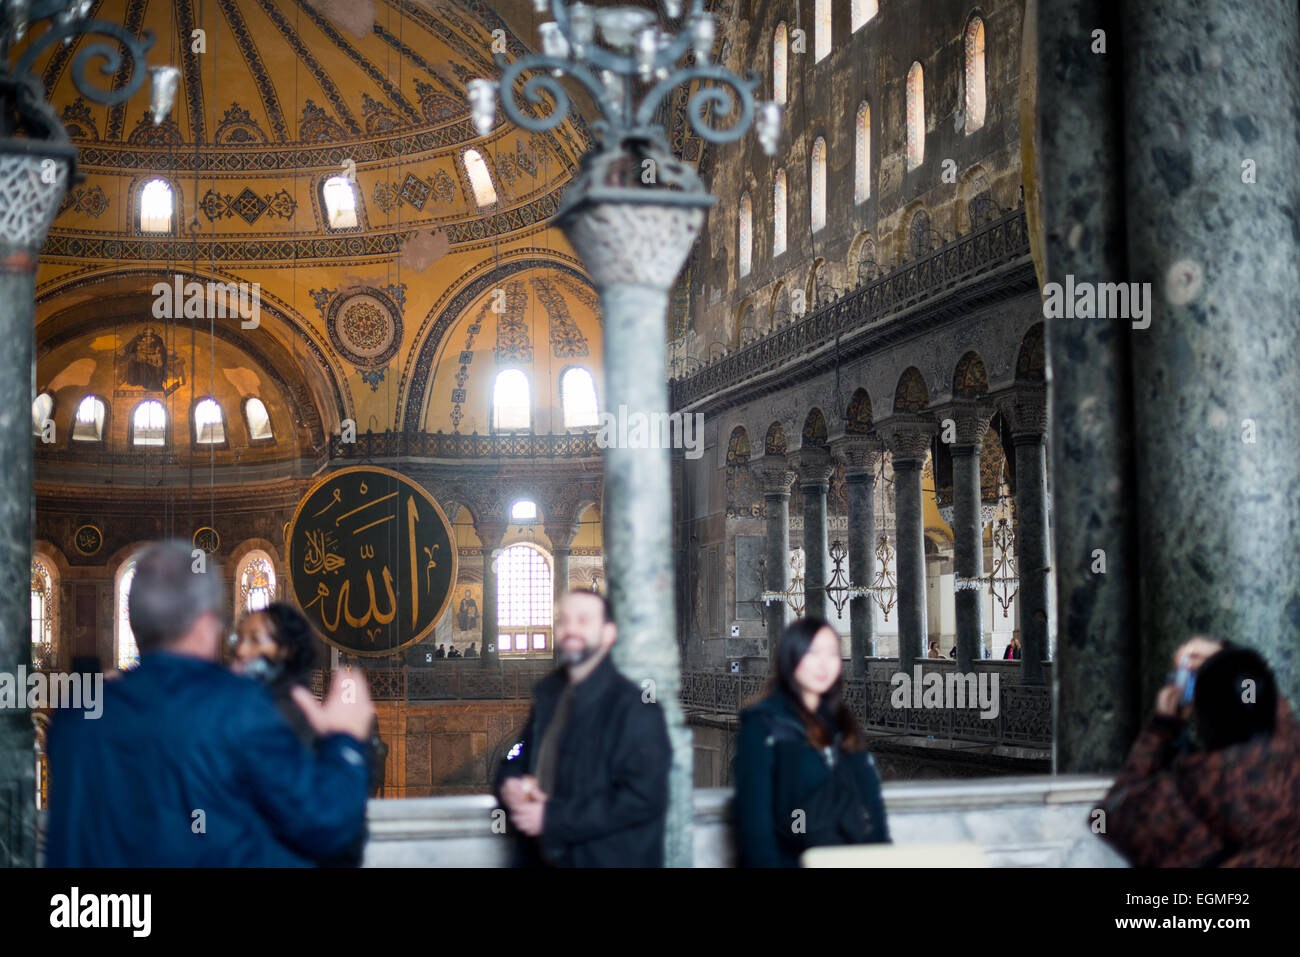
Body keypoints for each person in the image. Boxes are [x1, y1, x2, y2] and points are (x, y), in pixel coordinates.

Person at [46, 540, 374, 867]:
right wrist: (345, 740)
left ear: (134, 621)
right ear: (205, 624)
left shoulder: (73, 716)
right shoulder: (238, 707)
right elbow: (327, 825)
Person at [494, 588, 671, 867]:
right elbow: (518, 752)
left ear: (608, 633)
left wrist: (552, 818)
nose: (570, 628)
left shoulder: (636, 710)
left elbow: (642, 798)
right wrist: (509, 780)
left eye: (583, 620)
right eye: (563, 620)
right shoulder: (549, 698)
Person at [1094, 636, 1300, 866]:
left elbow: (1107, 815)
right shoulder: (1292, 766)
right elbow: (1263, 705)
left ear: (1201, 723)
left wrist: (1162, 726)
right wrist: (1233, 662)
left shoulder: (1178, 803)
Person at [733, 616, 890, 867]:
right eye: (813, 653)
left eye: (832, 654)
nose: (824, 665)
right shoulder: (764, 724)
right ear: (791, 657)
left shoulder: (843, 722)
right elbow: (755, 822)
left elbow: (871, 804)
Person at [230, 602, 388, 800]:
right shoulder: (249, 706)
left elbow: (315, 806)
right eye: (239, 639)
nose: (241, 650)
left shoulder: (290, 712)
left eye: (255, 640)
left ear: (285, 649)